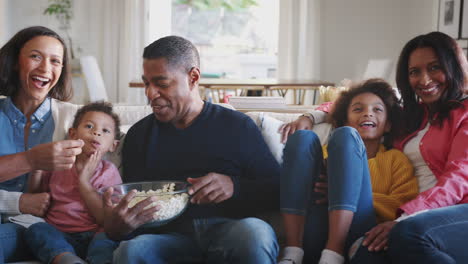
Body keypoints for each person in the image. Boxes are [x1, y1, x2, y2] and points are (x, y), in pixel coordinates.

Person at [100, 35, 280, 264]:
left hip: (228, 232)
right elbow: (133, 210)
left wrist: (234, 186)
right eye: (146, 83)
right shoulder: (140, 135)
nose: (150, 94)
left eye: (162, 83)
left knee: (255, 233)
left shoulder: (236, 126)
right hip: (167, 239)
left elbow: (277, 190)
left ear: (193, 77)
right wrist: (118, 227)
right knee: (131, 251)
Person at [278, 79, 418, 264]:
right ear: (345, 121)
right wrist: (308, 117)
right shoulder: (326, 154)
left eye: (377, 109)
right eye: (358, 109)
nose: (368, 113)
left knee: (346, 136)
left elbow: (402, 205)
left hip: (360, 235)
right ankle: (292, 252)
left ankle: (333, 253)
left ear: (388, 125)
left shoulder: (395, 160)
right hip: (315, 230)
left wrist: (342, 192)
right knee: (302, 138)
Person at [372, 32, 467, 264]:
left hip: (456, 210)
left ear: (452, 67)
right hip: (416, 213)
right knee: (367, 251)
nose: (424, 80)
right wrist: (312, 115)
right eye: (414, 72)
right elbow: (358, 102)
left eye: (434, 67)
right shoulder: (412, 115)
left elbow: (459, 176)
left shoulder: (465, 113)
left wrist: (406, 216)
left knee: (409, 234)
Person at [0, 26, 84, 263]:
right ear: (16, 62)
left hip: (43, 230)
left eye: (55, 61)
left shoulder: (75, 121)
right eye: (35, 56)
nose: (46, 68)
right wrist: (18, 201)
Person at [24, 101, 122, 264]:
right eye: (89, 126)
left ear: (113, 145)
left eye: (105, 130)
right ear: (73, 134)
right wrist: (37, 169)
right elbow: (36, 197)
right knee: (36, 230)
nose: (97, 132)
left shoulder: (109, 172)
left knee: (108, 237)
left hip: (95, 234)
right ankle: (66, 259)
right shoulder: (58, 163)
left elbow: (105, 219)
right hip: (59, 233)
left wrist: (84, 181)